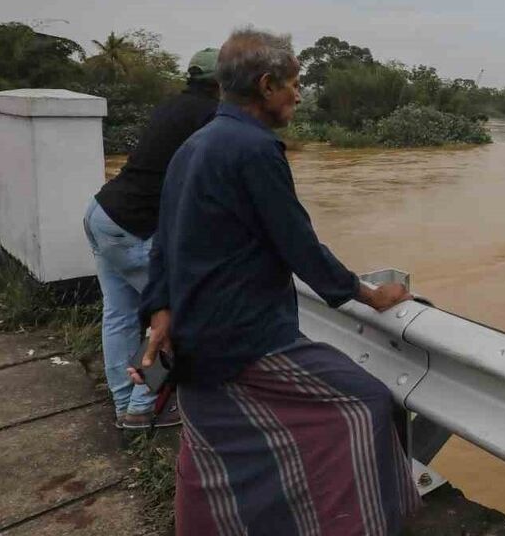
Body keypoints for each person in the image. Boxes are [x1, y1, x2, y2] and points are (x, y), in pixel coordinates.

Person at [133, 28, 421, 535]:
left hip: (193, 339)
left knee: (217, 451)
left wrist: (159, 310)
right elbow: (298, 245)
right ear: (266, 86)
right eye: (293, 83)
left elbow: (165, 236)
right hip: (242, 337)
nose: (298, 94)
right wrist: (371, 294)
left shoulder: (195, 145)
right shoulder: (255, 149)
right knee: (366, 403)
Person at [84, 48, 221, 429]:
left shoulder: (170, 106)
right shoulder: (211, 116)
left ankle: (124, 402)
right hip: (136, 227)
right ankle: (144, 406)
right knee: (178, 313)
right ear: (223, 82)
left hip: (102, 211)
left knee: (119, 313)